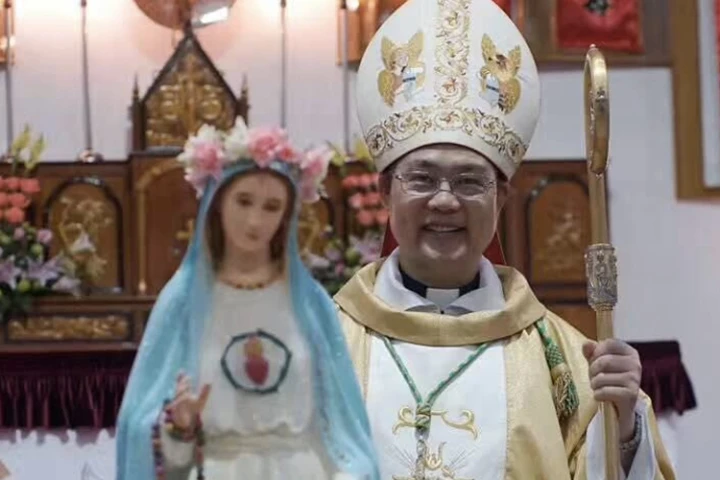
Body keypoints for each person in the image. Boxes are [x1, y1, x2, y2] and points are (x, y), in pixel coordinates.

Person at [334, 0, 676, 478]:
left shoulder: (562, 362)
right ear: (385, 192)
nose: (445, 200)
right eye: (423, 178)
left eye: (470, 181)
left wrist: (623, 430)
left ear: (501, 199)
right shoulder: (326, 344)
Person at [116, 118, 380, 480]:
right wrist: (181, 427)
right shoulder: (184, 301)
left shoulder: (310, 304)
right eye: (243, 201)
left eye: (272, 207)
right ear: (217, 204)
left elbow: (341, 421)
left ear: (287, 217)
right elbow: (146, 432)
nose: (255, 220)